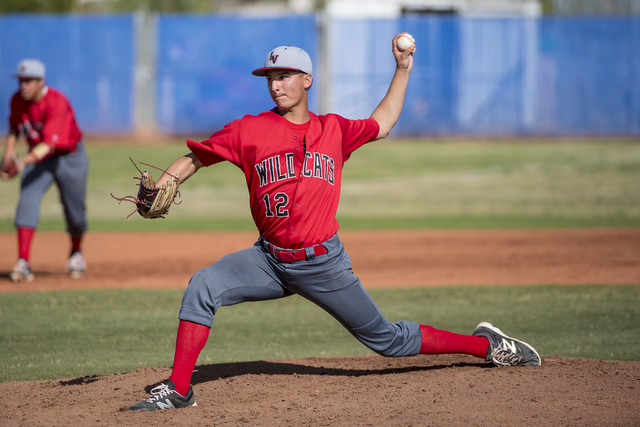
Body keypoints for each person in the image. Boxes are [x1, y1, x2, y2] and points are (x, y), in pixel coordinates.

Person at [128, 34, 540, 412]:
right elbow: (196, 156)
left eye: (285, 76)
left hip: (323, 264)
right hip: (268, 260)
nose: (276, 85)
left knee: (388, 341)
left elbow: (384, 122)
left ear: (307, 79)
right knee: (204, 284)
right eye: (270, 77)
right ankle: (180, 390)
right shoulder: (249, 130)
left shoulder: (334, 130)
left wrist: (402, 69)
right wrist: (163, 185)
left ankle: (486, 345)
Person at [1, 59, 88, 283]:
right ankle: (23, 261)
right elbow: (13, 128)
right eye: (21, 80)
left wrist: (21, 163)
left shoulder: (56, 101)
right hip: (38, 158)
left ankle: (76, 253)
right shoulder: (17, 101)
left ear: (41, 82)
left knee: (75, 212)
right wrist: (8, 156)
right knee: (27, 200)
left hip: (69, 156)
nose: (23, 86)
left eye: (29, 81)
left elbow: (49, 145)